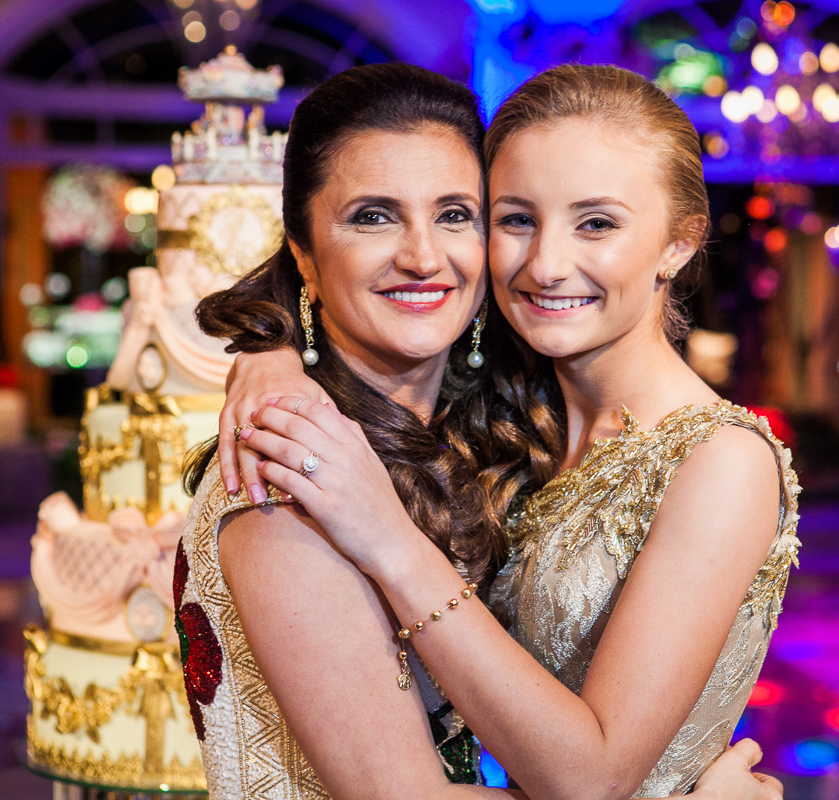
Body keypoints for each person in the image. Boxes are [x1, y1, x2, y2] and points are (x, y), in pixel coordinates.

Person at [179, 62, 778, 799]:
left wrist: (271, 356)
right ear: (302, 252)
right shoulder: (293, 471)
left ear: (680, 243)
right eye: (372, 216)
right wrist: (268, 359)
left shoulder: (500, 431)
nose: (423, 256)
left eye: (456, 215)